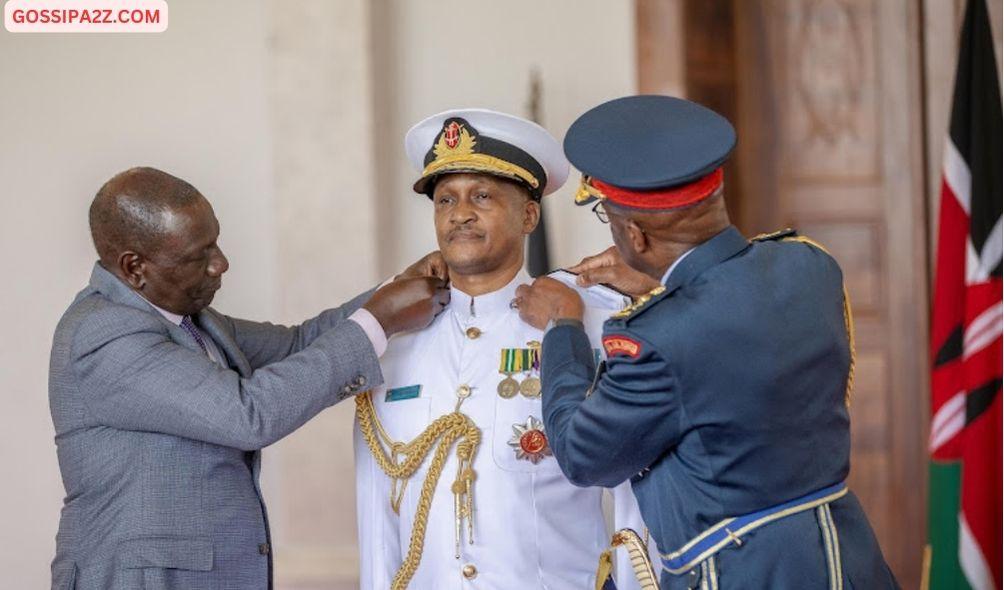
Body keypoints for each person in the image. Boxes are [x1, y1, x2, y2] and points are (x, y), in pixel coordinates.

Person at [514, 95, 899, 589]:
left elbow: (583, 455)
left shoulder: (654, 338)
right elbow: (736, 329)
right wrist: (667, 287)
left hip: (743, 573)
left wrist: (563, 325)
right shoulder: (808, 265)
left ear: (635, 235)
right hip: (845, 556)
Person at [49, 167, 450, 590]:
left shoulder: (191, 320)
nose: (221, 263)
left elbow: (298, 343)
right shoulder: (104, 334)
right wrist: (379, 322)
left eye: (216, 242)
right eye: (198, 255)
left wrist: (397, 287)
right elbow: (249, 415)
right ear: (134, 268)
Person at [353, 109, 651, 590]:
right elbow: (376, 507)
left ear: (529, 215)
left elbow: (633, 493)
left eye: (483, 196)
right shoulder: (395, 339)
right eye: (445, 199)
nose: (460, 212)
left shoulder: (591, 324)